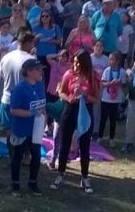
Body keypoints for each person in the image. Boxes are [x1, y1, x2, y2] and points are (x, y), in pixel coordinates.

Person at [50, 49, 100, 194]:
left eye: (79, 63)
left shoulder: (92, 76)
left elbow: (96, 98)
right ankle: (60, 174)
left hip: (85, 112)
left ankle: (84, 177)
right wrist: (70, 98)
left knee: (84, 145)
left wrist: (84, 95)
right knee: (65, 143)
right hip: (70, 110)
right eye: (75, 62)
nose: (76, 66)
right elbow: (61, 92)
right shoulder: (69, 74)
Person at [9, 58, 47, 197]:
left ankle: (33, 183)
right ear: (28, 72)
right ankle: (15, 185)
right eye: (37, 69)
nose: (40, 71)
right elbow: (13, 110)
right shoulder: (19, 88)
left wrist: (44, 121)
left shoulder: (40, 85)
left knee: (36, 157)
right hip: (21, 129)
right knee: (17, 157)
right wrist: (30, 113)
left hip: (35, 130)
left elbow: (43, 105)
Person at [0, 29, 36, 151]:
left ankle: (11, 154)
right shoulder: (30, 60)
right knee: (23, 131)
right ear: (28, 43)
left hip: (7, 98)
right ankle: (23, 156)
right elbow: (35, 81)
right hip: (23, 102)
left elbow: (1, 77)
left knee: (9, 130)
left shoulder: (6, 57)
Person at [99, 51, 126, 147]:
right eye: (109, 59)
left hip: (116, 99)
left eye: (112, 59)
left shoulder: (122, 72)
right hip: (105, 98)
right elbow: (103, 83)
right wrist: (110, 83)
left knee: (113, 120)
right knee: (103, 118)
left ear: (118, 61)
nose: (110, 61)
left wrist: (118, 83)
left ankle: (111, 138)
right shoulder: (107, 70)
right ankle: (100, 137)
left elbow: (123, 85)